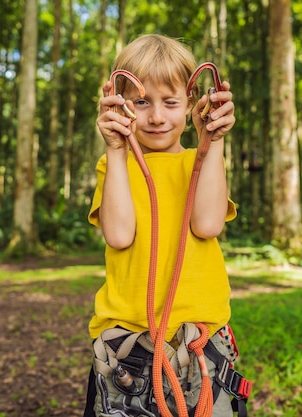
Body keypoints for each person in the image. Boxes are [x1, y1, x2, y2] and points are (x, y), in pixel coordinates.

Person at [84, 34, 245, 417]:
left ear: (191, 104)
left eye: (170, 103)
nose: (156, 116)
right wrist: (115, 148)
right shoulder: (115, 165)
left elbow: (207, 224)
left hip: (200, 339)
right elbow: (120, 235)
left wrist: (214, 142)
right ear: (121, 105)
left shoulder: (199, 162)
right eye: (142, 102)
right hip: (128, 344)